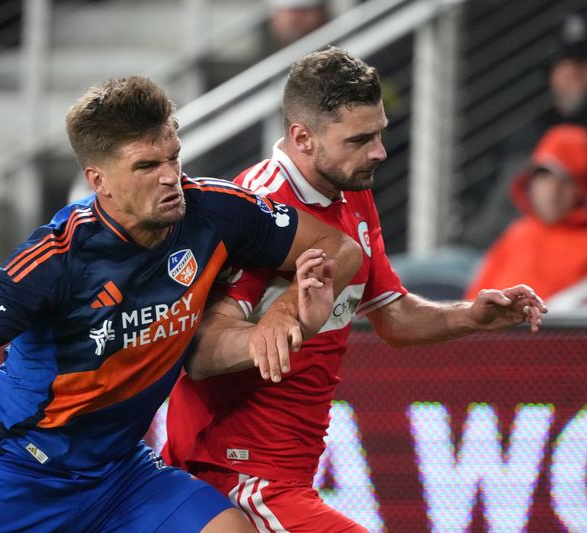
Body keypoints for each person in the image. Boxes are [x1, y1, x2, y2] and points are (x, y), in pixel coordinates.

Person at [0, 76, 363, 532]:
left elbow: (339, 246)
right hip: (15, 469)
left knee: (230, 531)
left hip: (119, 474)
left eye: (173, 156)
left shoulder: (214, 211)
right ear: (100, 180)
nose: (171, 177)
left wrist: (289, 311)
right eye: (147, 166)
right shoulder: (56, 259)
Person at [162, 48, 547, 533]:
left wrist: (472, 315)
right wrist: (282, 324)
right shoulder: (258, 208)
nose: (379, 151)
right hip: (234, 473)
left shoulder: (352, 190)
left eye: (380, 132)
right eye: (360, 138)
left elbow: (393, 315)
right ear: (302, 137)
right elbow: (199, 352)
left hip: (287, 474)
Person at [462, 9, 587, 249]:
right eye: (563, 64)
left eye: (581, 64)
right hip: (484, 253)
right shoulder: (524, 132)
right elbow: (482, 207)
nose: (570, 74)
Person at [465, 124, 587, 301]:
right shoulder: (517, 235)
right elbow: (473, 303)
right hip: (499, 329)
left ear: (581, 189)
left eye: (566, 180)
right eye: (544, 176)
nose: (552, 190)